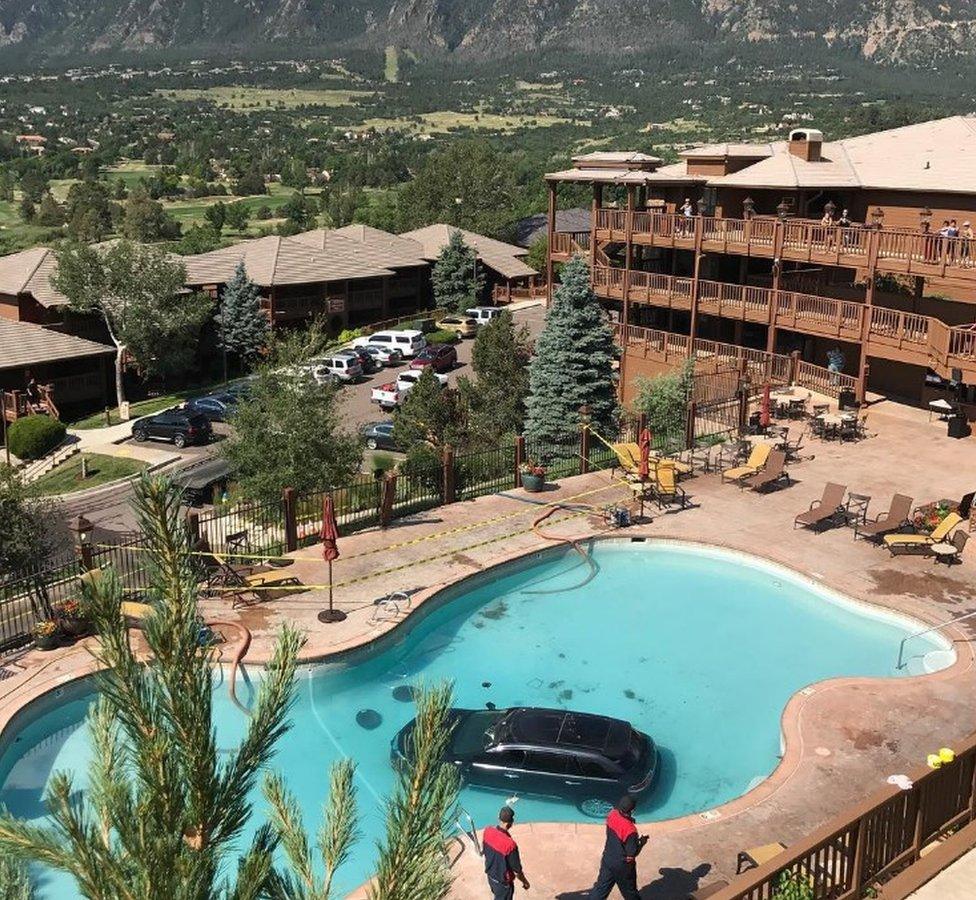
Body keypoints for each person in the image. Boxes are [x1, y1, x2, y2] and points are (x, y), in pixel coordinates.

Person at [588, 795, 648, 899]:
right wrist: (641, 843)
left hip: (608, 859)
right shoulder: (630, 830)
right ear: (632, 811)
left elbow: (616, 827)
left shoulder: (612, 814)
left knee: (600, 889)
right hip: (622, 865)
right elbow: (631, 855)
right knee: (630, 892)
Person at [483, 806, 530, 899]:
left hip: (491, 878)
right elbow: (517, 871)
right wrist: (525, 882)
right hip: (503, 885)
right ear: (511, 823)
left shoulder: (487, 831)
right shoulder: (510, 845)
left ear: (498, 818)